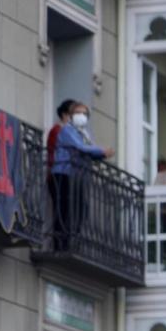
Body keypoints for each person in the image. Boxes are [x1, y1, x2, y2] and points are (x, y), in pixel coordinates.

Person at [50, 102, 115, 249]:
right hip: (63, 173)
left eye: (85, 114)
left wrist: (103, 154)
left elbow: (89, 152)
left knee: (80, 210)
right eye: (78, 113)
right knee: (64, 209)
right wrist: (101, 151)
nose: (82, 116)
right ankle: (61, 244)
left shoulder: (85, 134)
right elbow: (80, 148)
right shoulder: (68, 130)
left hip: (77, 176)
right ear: (71, 116)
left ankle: (73, 241)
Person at [46, 99, 75, 178]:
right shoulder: (57, 130)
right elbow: (52, 152)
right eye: (72, 115)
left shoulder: (74, 132)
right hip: (59, 174)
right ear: (64, 115)